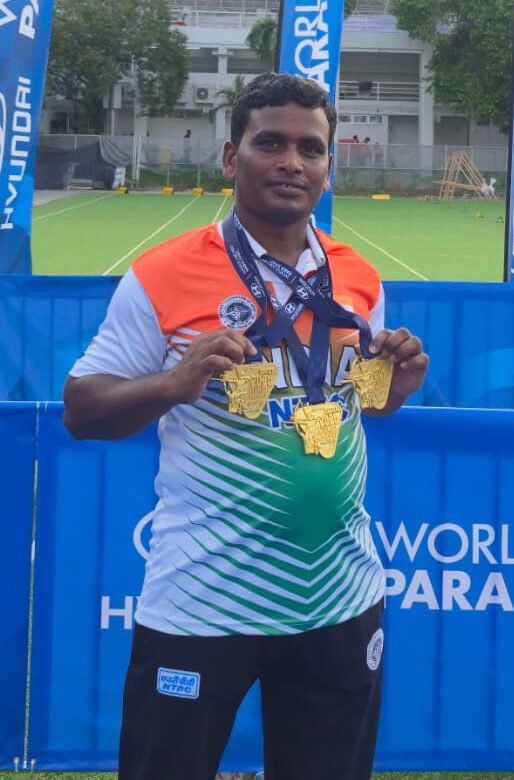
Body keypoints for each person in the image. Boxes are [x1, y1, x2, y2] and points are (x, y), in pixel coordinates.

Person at [63, 72, 428, 780]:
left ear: (328, 166)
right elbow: (81, 409)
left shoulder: (357, 276)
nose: (291, 162)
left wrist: (396, 385)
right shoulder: (163, 274)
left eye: (310, 148)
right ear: (232, 158)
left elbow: (363, 402)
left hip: (338, 594)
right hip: (204, 597)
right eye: (270, 143)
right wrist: (172, 383)